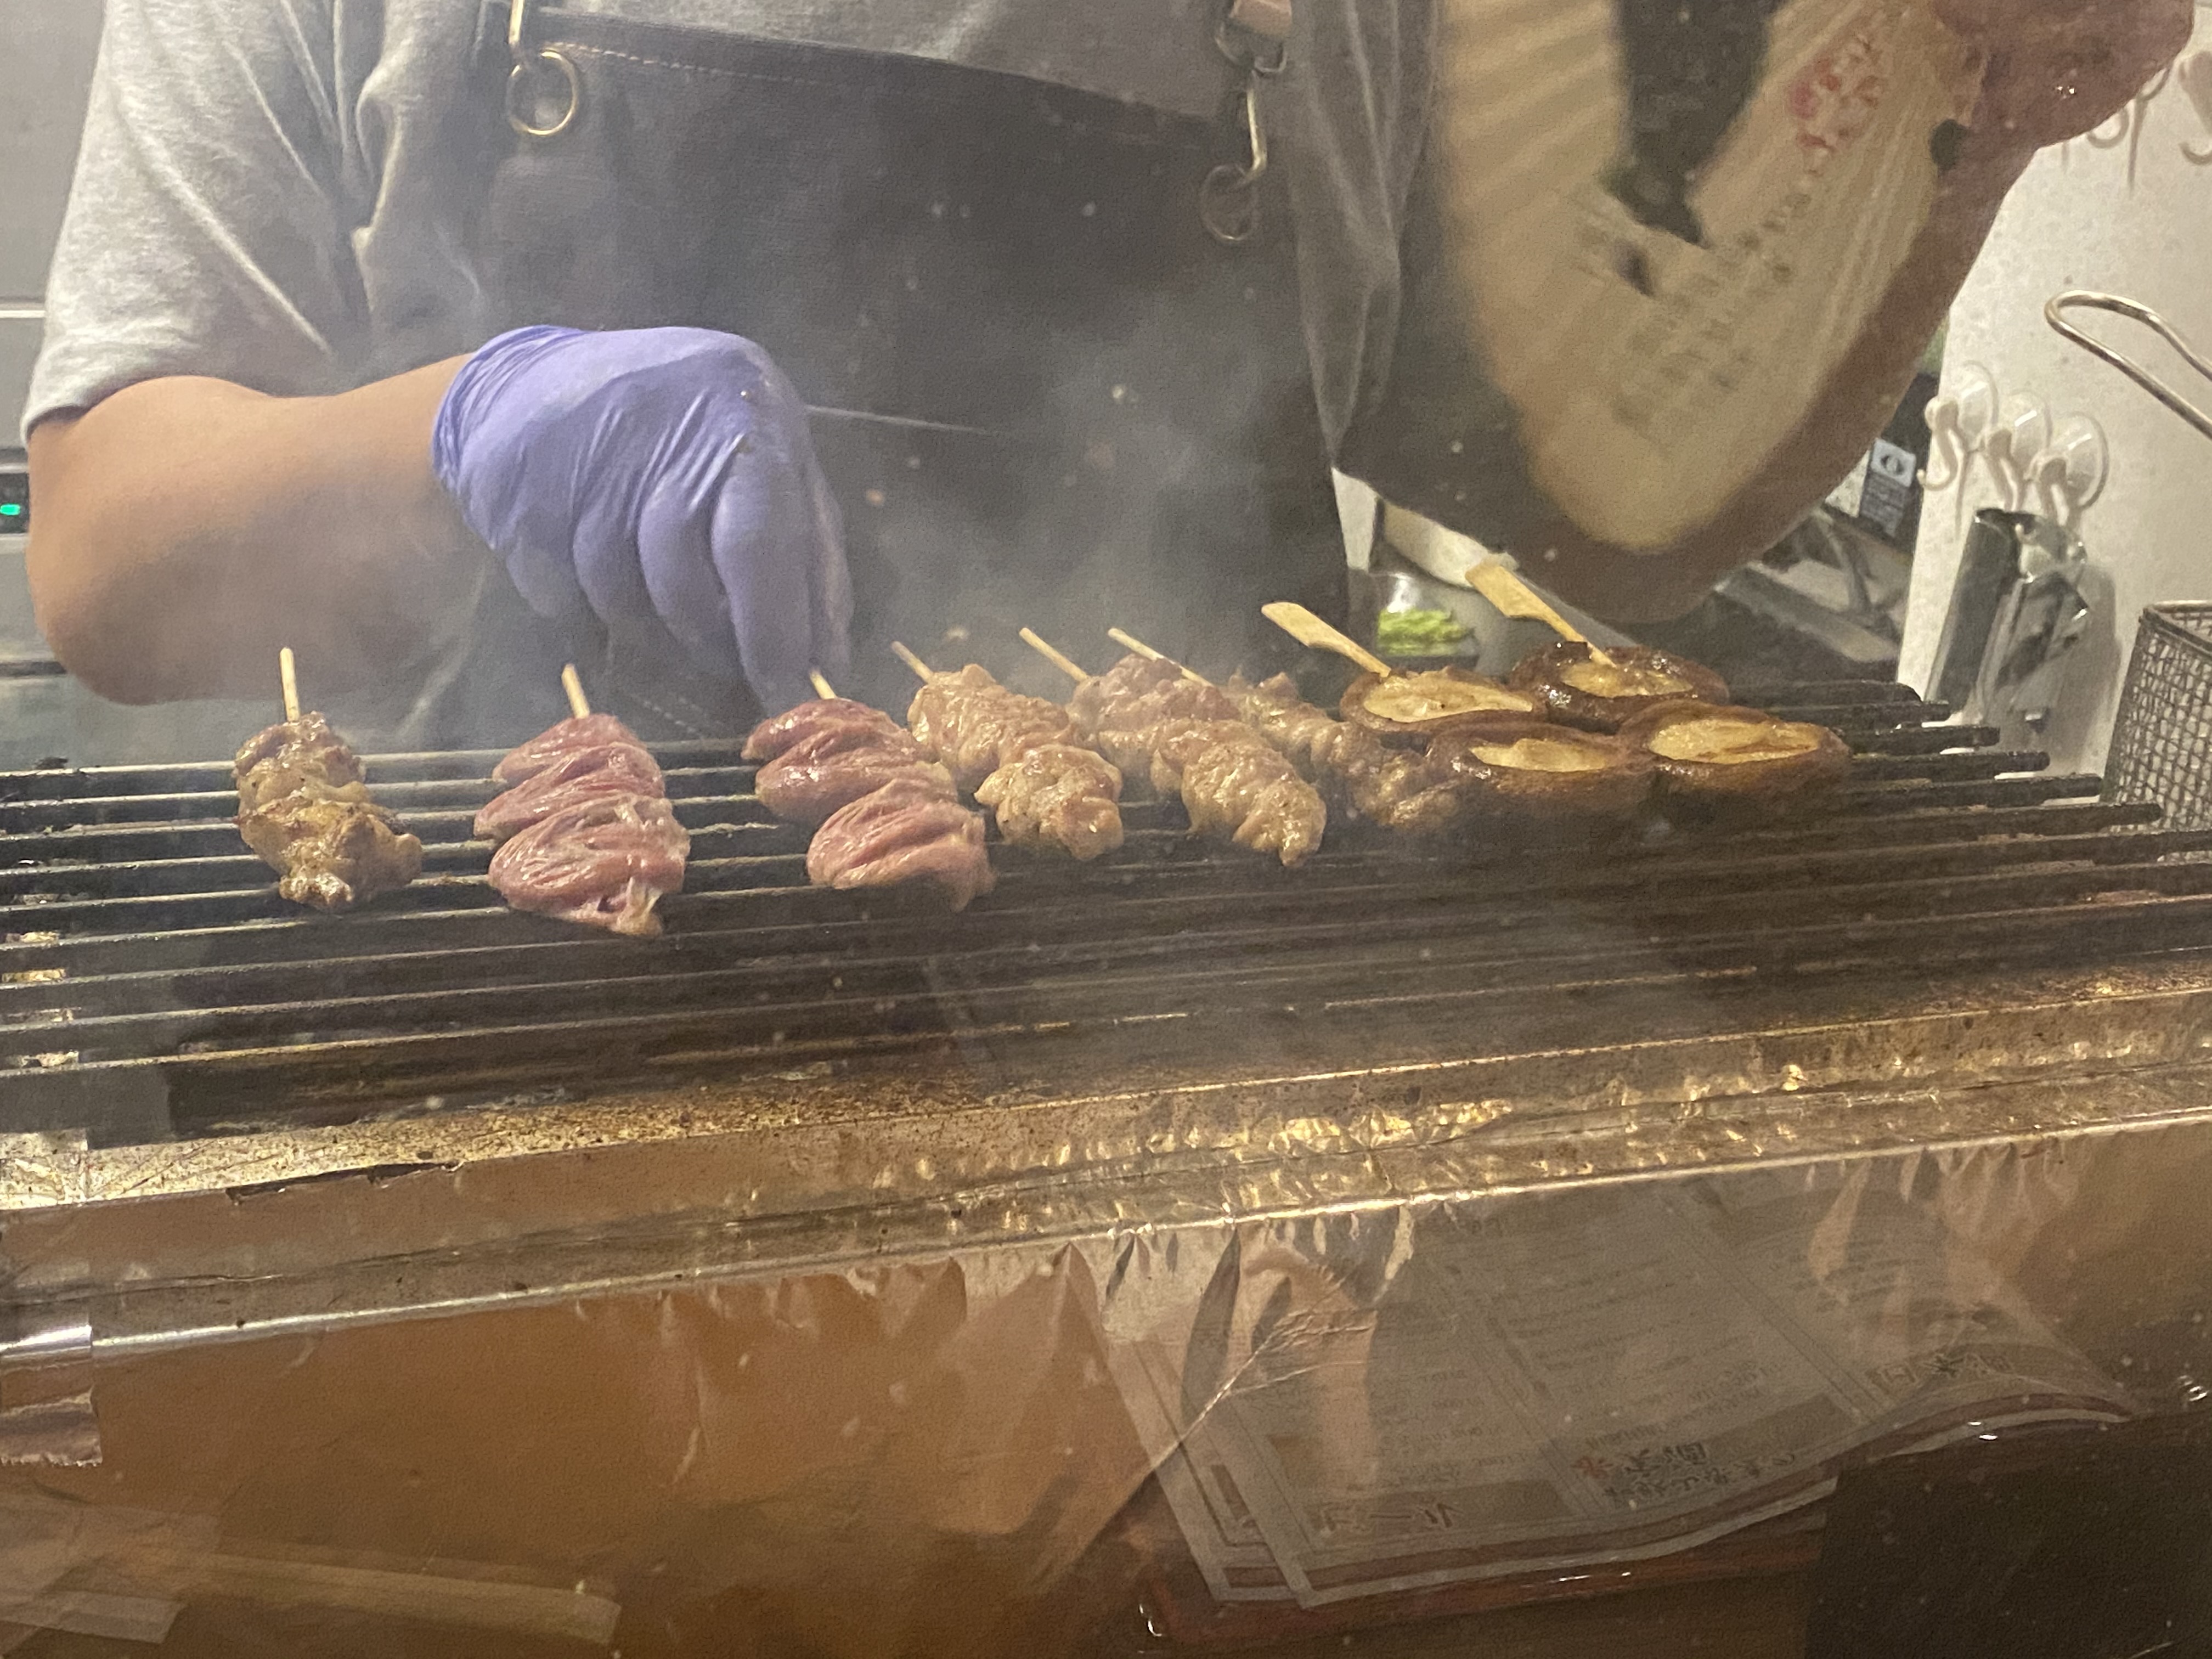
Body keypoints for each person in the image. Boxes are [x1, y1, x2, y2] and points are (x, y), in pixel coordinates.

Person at [21, 0, 2187, 744]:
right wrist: (464, 426)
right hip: (504, 1068)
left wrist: (1976, 134)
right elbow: (104, 562)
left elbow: (1599, 543)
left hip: (1182, 1144)